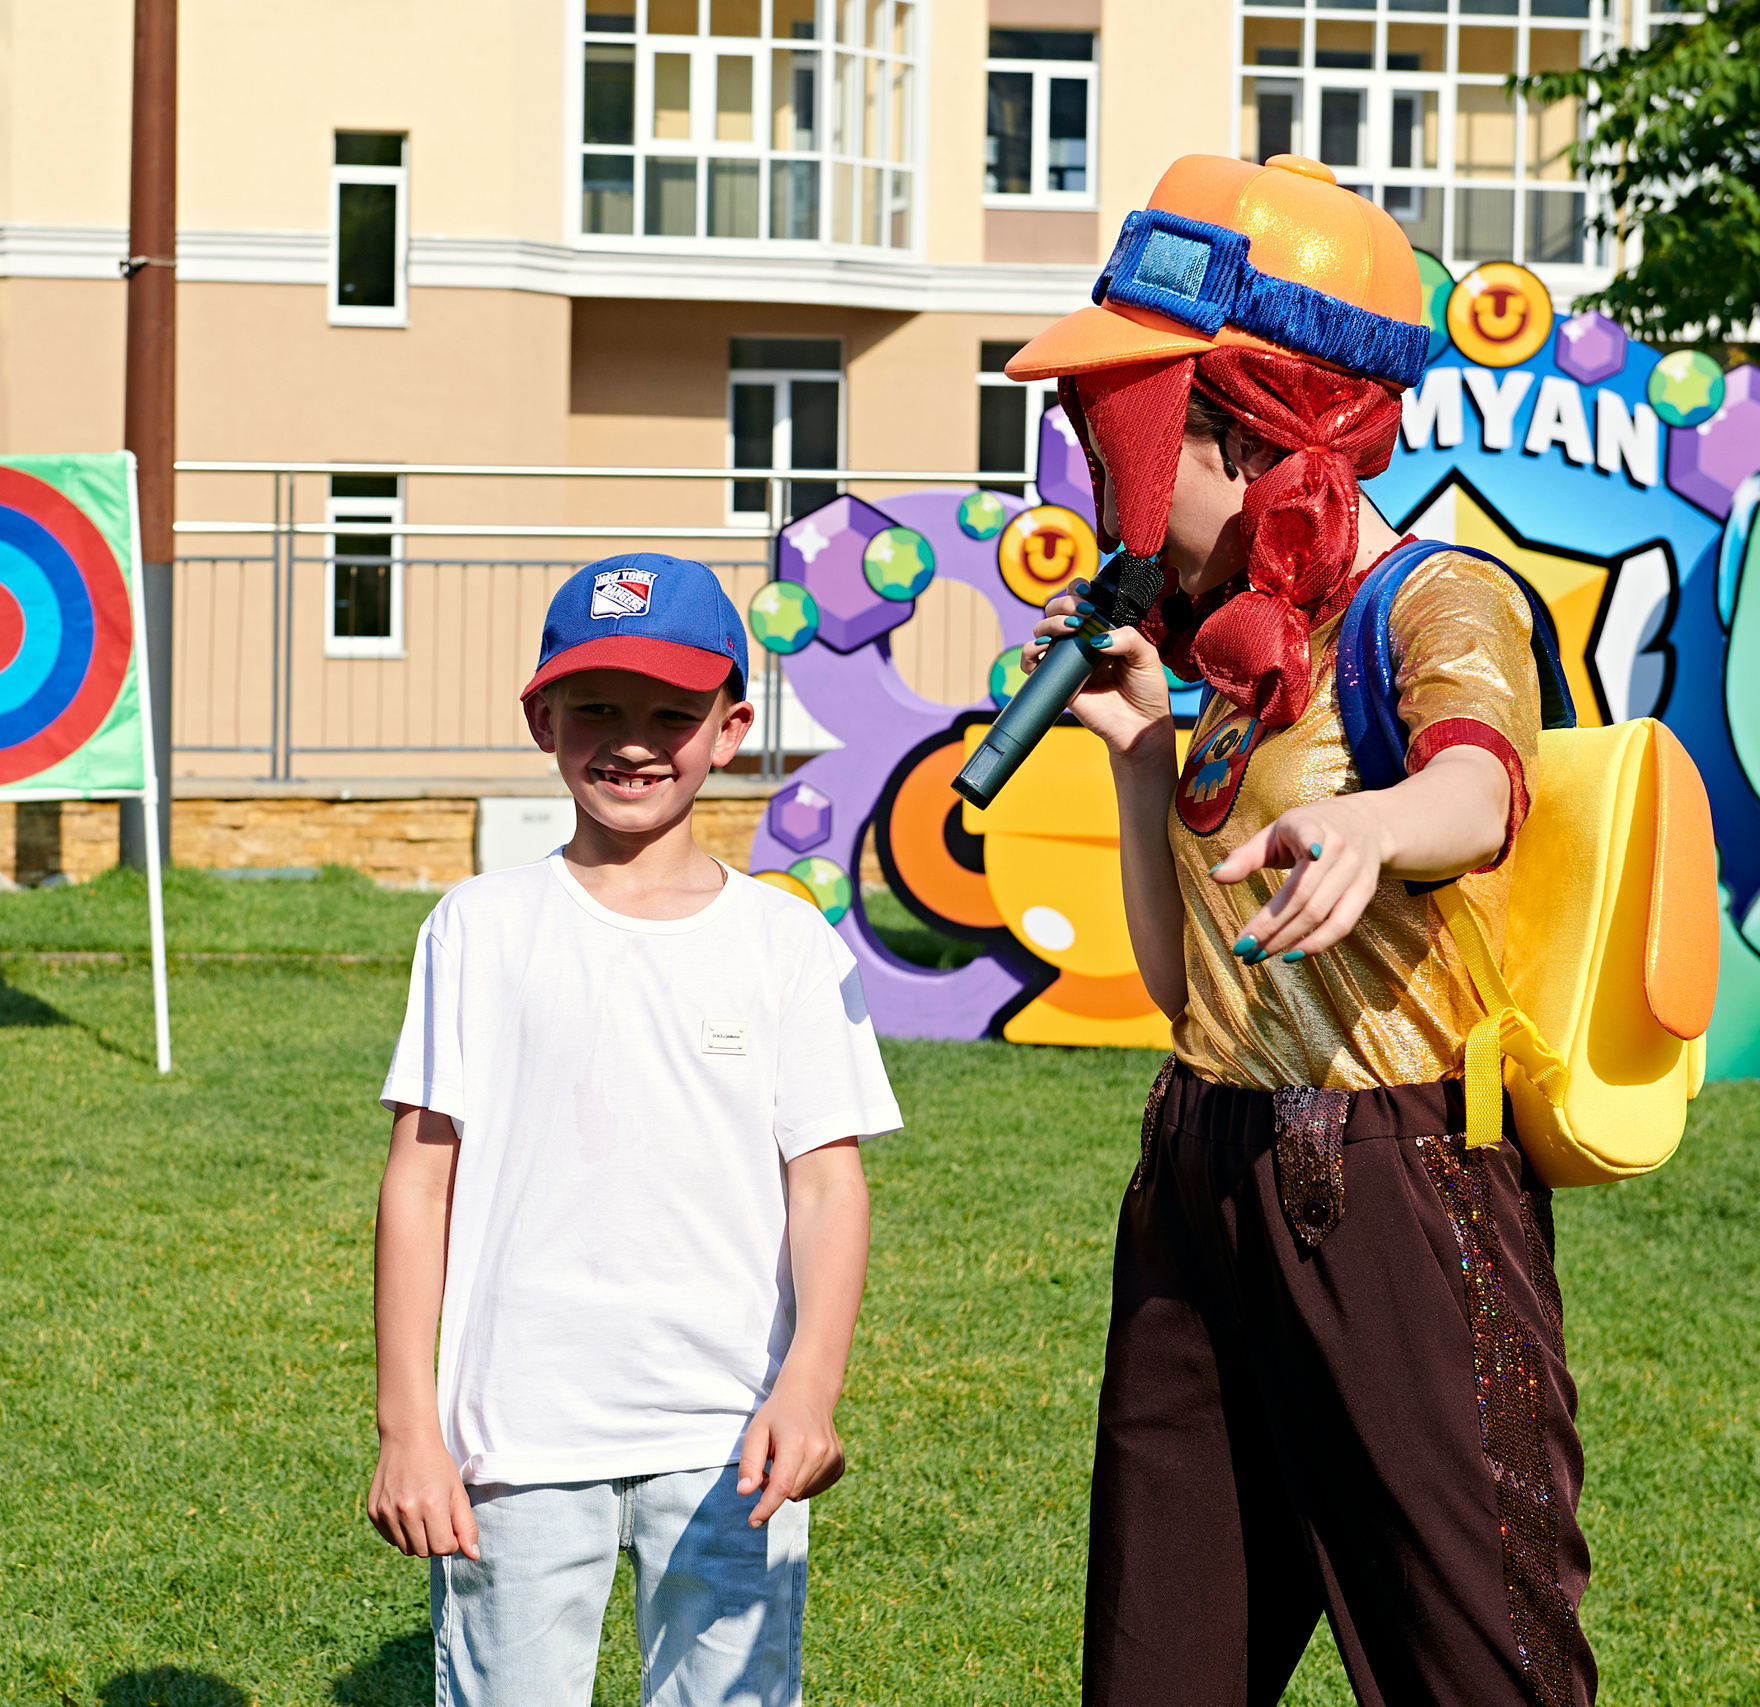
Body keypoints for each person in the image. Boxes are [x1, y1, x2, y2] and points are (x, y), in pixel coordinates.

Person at [1008, 155, 1593, 1706]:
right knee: (1160, 1656)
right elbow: (1177, 969)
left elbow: (1480, 782)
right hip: (1199, 1164)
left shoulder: (1434, 598)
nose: (1099, 473)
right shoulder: (1228, 672)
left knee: (1476, 1656)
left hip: (1393, 1184)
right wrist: (1143, 759)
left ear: (1263, 425)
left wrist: (1374, 823)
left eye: (1131, 431)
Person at [365, 553, 901, 1706]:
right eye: (597, 707)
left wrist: (807, 1389)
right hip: (511, 1441)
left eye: (672, 711)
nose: (633, 739)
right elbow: (418, 1184)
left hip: (731, 1441)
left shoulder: (786, 942)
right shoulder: (477, 927)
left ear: (733, 725)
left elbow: (827, 1185)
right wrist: (409, 1427)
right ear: (540, 716)